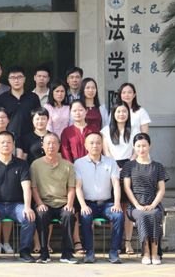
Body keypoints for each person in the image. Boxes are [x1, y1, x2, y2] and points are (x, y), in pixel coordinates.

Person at [0, 131, 36, 263]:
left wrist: (27, 207)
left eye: (9, 142)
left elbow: (26, 187)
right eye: (2, 142)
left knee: (28, 217)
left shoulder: (22, 164)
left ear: (13, 145)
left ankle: (25, 251)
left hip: (16, 205)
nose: (6, 145)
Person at [74, 132, 124, 264]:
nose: (95, 145)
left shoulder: (111, 162)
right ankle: (89, 252)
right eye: (91, 143)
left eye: (98, 143)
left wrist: (117, 203)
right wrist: (83, 205)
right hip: (88, 204)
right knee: (85, 216)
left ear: (102, 145)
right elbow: (78, 187)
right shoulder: (79, 163)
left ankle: (114, 252)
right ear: (85, 145)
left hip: (107, 204)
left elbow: (116, 184)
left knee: (118, 215)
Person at [30, 133, 78, 264]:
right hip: (44, 202)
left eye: (54, 143)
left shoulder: (68, 165)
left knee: (68, 215)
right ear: (43, 146)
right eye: (48, 143)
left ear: (59, 145)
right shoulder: (35, 165)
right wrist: (39, 203)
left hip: (63, 202)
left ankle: (67, 254)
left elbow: (71, 188)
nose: (51, 146)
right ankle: (44, 253)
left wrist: (69, 204)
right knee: (41, 215)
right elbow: (33, 187)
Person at [122, 133, 168, 266]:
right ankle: (146, 252)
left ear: (149, 146)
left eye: (144, 146)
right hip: (134, 206)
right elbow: (127, 188)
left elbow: (161, 189)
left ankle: (155, 253)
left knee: (153, 214)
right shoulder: (129, 166)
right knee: (142, 215)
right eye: (138, 146)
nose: (141, 149)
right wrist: (137, 205)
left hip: (154, 204)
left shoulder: (158, 166)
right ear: (133, 147)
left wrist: (153, 205)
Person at [101, 103, 137, 256]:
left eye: (124, 111)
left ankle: (128, 242)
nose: (121, 114)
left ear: (128, 114)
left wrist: (127, 166)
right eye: (118, 111)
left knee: (127, 207)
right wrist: (115, 166)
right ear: (113, 114)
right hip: (111, 166)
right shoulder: (106, 131)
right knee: (115, 207)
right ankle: (115, 241)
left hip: (130, 166)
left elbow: (136, 150)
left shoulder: (134, 130)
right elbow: (106, 151)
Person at [0, 66, 41, 141]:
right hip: (9, 139)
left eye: (19, 77)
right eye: (13, 78)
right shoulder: (2, 98)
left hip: (30, 139)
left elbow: (38, 118)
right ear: (8, 80)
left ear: (24, 79)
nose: (16, 80)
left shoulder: (33, 97)